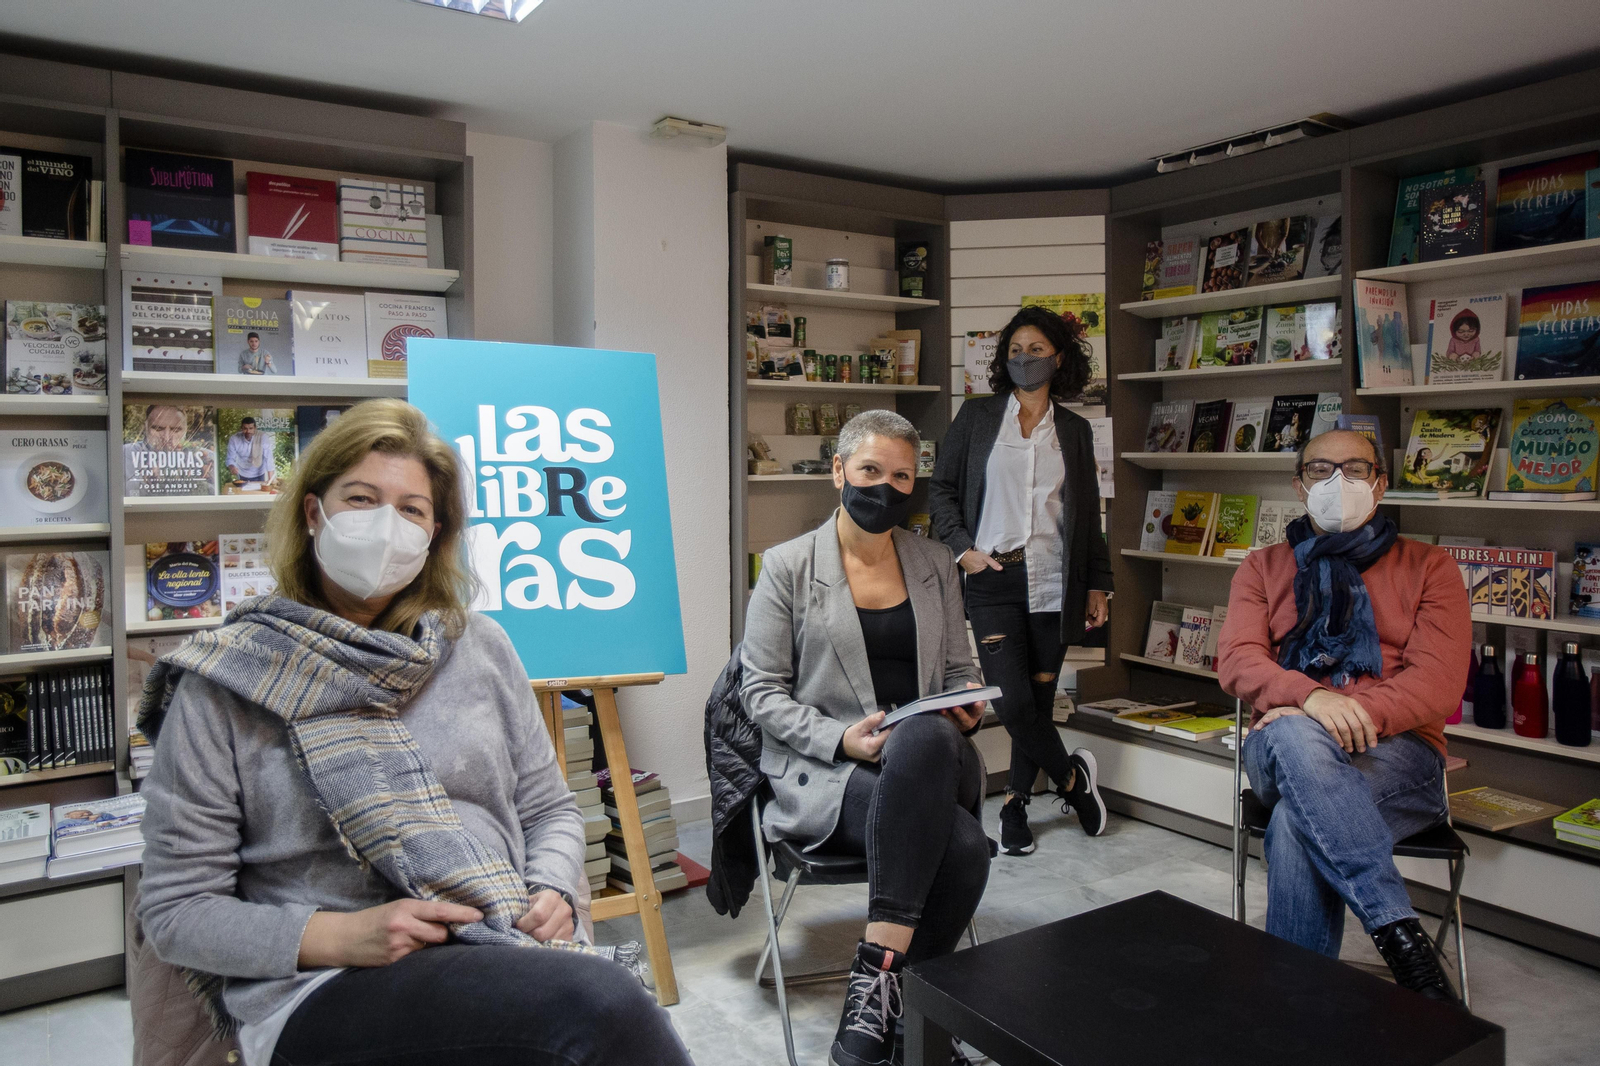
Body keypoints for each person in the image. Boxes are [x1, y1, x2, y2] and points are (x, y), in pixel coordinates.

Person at [135, 399, 689, 1066]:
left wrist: (549, 889)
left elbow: (549, 809)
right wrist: (341, 936)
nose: (384, 526)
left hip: (495, 942)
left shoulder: (479, 646)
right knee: (600, 1006)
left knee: (591, 1009)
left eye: (412, 510)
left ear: (435, 534)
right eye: (362, 498)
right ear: (313, 514)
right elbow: (176, 911)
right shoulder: (227, 680)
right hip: (321, 987)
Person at [742, 409, 990, 1066]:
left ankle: (872, 980)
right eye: (871, 470)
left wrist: (969, 703)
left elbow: (962, 669)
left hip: (935, 758)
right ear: (839, 473)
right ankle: (919, 1026)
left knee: (926, 739)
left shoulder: (936, 562)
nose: (885, 487)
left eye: (901, 476)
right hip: (834, 771)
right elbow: (758, 690)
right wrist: (841, 740)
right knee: (963, 847)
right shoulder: (788, 568)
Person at [1216, 429, 1471, 1002]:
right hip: (1278, 747)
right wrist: (1311, 699)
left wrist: (1343, 710)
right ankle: (1401, 934)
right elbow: (1236, 661)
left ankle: (1292, 1010)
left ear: (1380, 483)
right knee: (1298, 736)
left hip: (1399, 751)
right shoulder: (1262, 567)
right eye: (1320, 470)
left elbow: (1436, 685)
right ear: (1298, 485)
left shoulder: (1431, 568)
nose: (1338, 483)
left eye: (1356, 469)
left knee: (1292, 826)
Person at [928, 305, 1112, 857]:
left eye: (1035, 350)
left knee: (1038, 697)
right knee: (1011, 702)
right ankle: (1074, 781)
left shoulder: (1076, 432)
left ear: (1058, 357)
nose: (1024, 360)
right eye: (1014, 351)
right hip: (993, 576)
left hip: (1056, 581)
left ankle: (1014, 804)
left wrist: (1099, 584)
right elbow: (940, 490)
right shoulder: (978, 418)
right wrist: (963, 551)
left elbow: (1087, 517)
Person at [123, 402, 215, 496]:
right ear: (145, 427)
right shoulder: (124, 455)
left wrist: (199, 480)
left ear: (186, 430)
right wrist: (145, 480)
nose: (166, 438)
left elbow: (216, 496)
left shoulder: (206, 458)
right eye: (158, 429)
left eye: (176, 430)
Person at [225, 415, 279, 491]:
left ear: (255, 428)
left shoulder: (262, 437)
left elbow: (268, 458)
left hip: (259, 473)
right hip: (242, 474)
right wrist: (232, 467)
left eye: (251, 428)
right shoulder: (234, 439)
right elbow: (230, 458)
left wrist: (271, 479)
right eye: (245, 428)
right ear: (241, 428)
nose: (248, 431)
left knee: (260, 496)